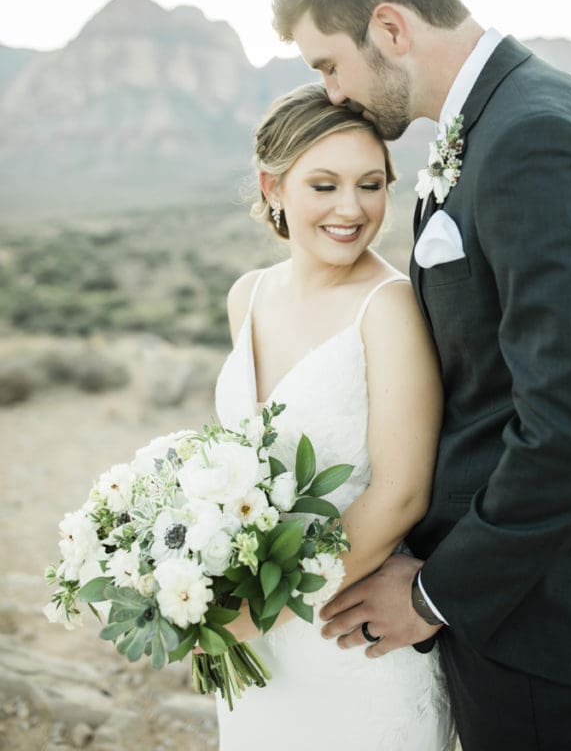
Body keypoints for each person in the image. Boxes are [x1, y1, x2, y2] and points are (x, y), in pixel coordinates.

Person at [271, 0, 571, 750]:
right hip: (512, 592)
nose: (332, 94)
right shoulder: (498, 121)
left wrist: (432, 593)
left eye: (329, 63)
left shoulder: (537, 138)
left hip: (535, 602)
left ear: (388, 26)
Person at [213, 83, 455, 750]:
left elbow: (401, 494)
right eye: (324, 185)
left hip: (349, 639)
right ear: (272, 186)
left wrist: (263, 607)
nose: (351, 209)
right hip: (261, 654)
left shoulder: (390, 306)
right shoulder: (247, 297)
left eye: (370, 184)